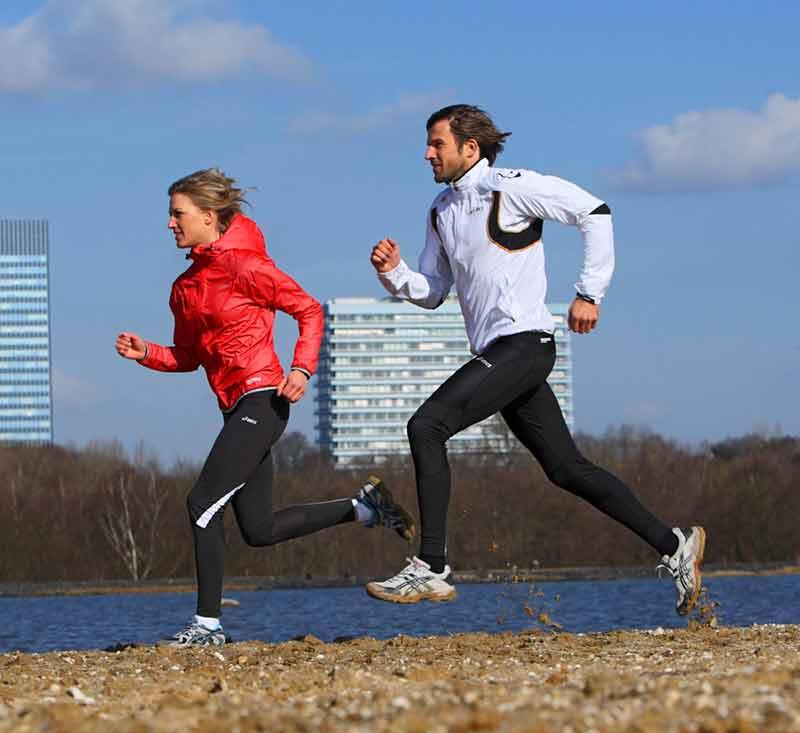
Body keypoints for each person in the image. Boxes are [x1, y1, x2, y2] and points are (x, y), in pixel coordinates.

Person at [367, 105, 706, 615]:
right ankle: (675, 545)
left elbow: (595, 213)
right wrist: (395, 274)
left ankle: (432, 566)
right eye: (428, 144)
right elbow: (435, 290)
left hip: (525, 344)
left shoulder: (512, 186)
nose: (427, 153)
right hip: (500, 355)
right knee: (567, 469)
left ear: (470, 148)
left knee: (427, 425)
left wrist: (589, 292)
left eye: (437, 144)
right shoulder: (441, 210)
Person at [116, 168, 415, 646]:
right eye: (169, 215)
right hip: (234, 408)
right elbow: (189, 358)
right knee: (259, 529)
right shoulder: (185, 289)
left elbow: (308, 310)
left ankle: (207, 626)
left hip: (264, 398)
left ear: (209, 216)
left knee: (200, 503)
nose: (170, 224)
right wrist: (146, 352)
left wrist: (300, 369)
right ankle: (364, 508)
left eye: (178, 214)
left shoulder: (245, 266)